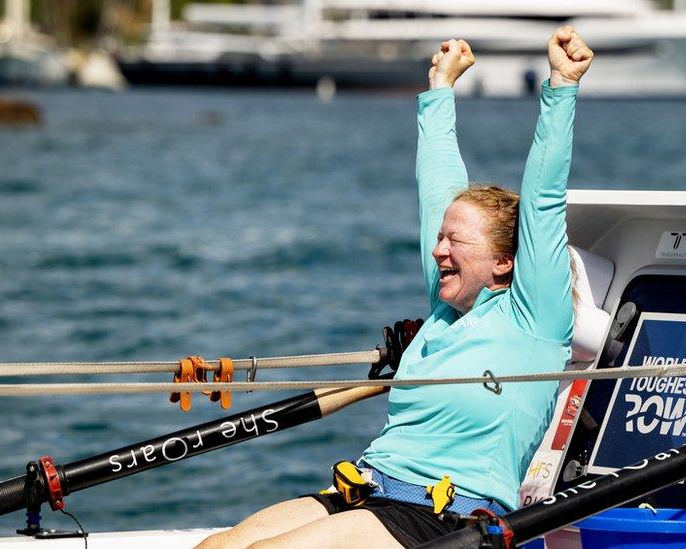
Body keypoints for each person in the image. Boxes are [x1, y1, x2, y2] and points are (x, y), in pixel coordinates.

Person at [198, 26, 593, 549]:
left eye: (456, 242)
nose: (438, 251)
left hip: (449, 517)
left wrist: (561, 86)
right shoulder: (446, 307)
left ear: (504, 261)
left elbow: (542, 199)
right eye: (439, 239)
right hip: (368, 488)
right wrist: (439, 92)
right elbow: (437, 188)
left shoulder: (533, 317)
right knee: (217, 547)